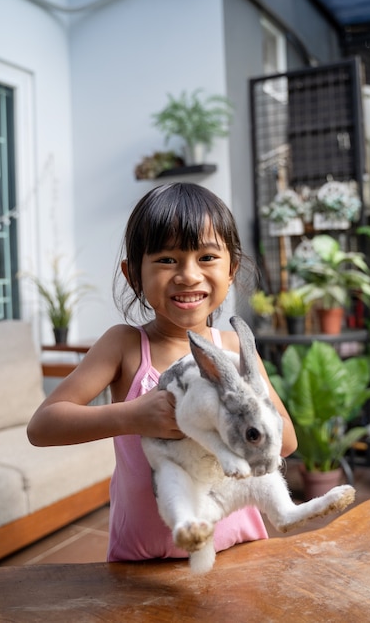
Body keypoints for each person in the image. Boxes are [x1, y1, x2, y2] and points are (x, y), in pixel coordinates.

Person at [27, 182, 297, 562]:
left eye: (206, 257)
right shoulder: (122, 346)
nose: (188, 275)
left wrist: (238, 418)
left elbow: (285, 442)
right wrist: (132, 415)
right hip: (143, 559)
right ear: (133, 273)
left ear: (231, 269)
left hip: (239, 551)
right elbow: (42, 426)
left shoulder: (234, 348)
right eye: (167, 259)